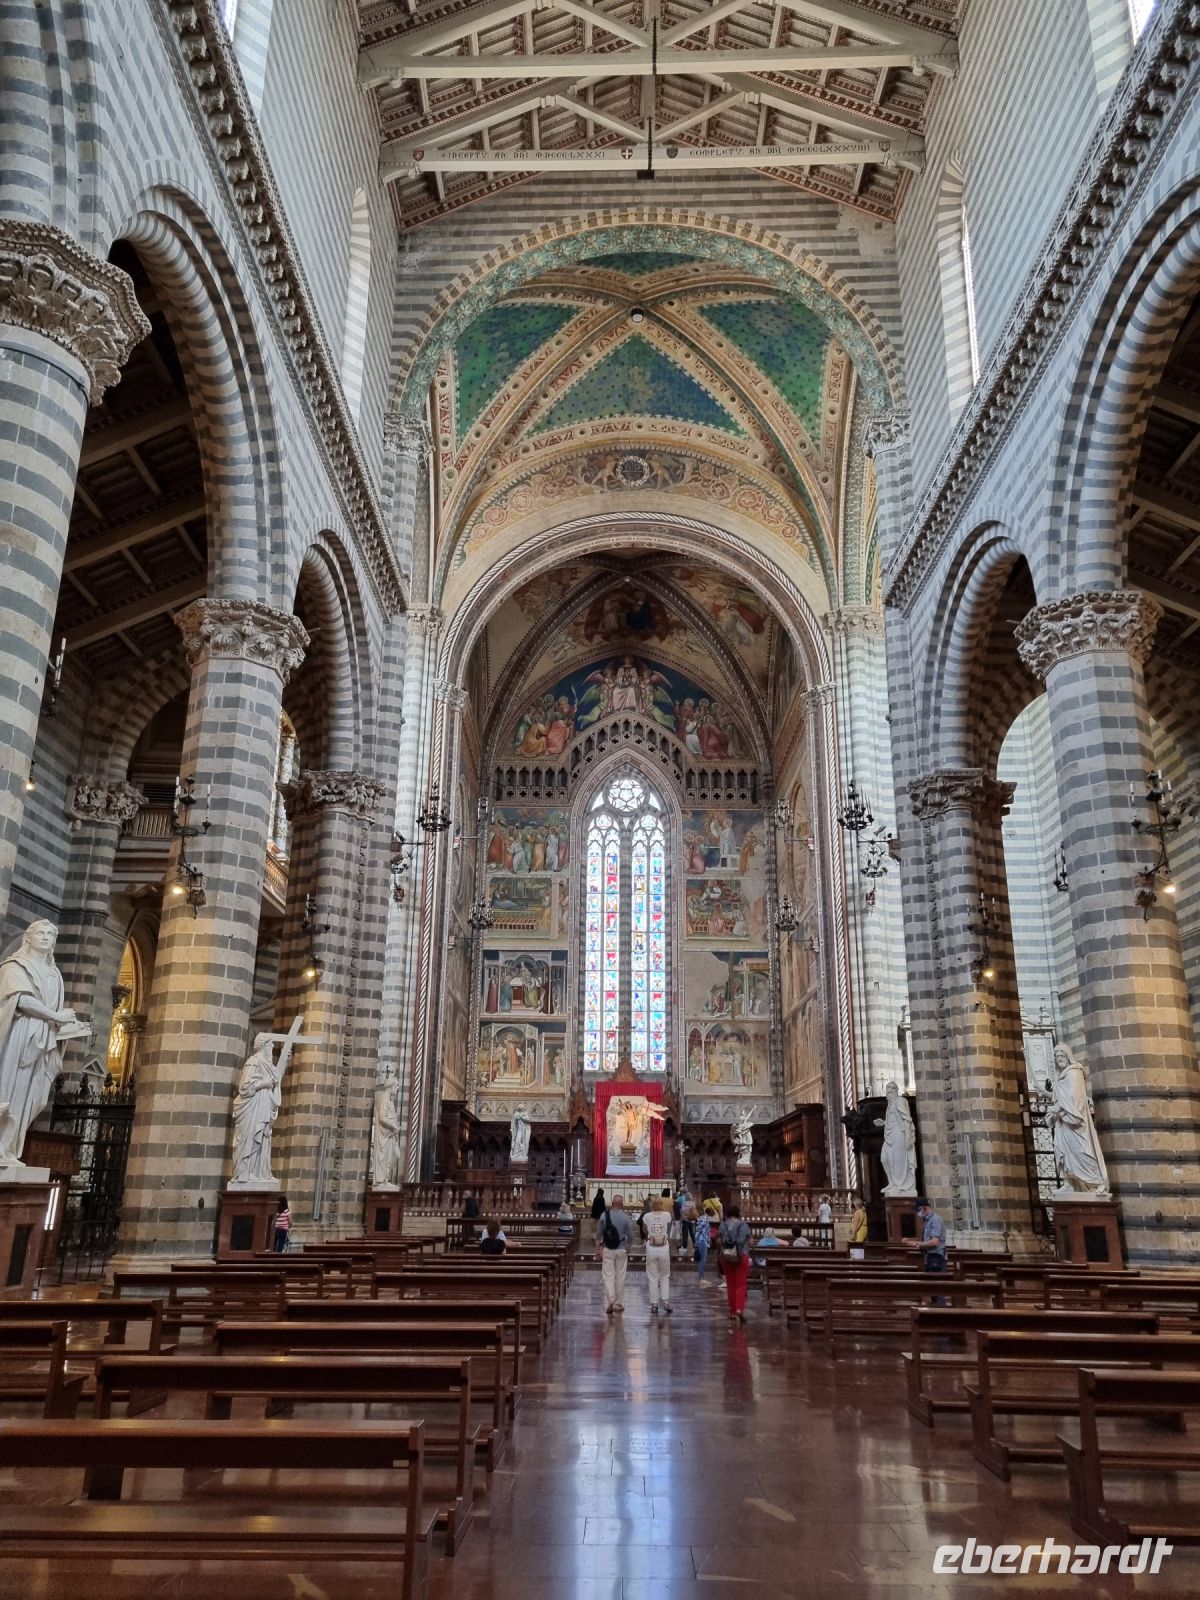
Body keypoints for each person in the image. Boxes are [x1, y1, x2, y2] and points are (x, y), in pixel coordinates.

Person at [596, 1194, 633, 1315]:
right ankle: (618, 1303)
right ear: (622, 1204)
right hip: (621, 1248)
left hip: (607, 1248)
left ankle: (611, 1299)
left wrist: (598, 1248)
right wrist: (628, 1247)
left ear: (611, 1203)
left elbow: (598, 1234)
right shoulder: (625, 1217)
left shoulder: (604, 1215)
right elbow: (630, 1235)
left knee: (608, 1275)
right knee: (620, 1276)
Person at [718, 1203, 752, 1323]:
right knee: (741, 1285)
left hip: (726, 1256)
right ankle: (739, 1309)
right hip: (741, 1255)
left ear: (727, 1214)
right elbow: (750, 1241)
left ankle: (732, 1312)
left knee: (731, 1285)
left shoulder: (723, 1225)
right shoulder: (744, 1225)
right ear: (738, 1213)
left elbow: (719, 1240)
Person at [644, 1196, 673, 1315]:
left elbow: (645, 1230)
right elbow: (670, 1224)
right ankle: (666, 1302)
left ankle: (654, 1304)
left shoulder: (647, 1216)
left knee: (652, 1277)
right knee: (665, 1276)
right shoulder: (666, 1215)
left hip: (651, 1247)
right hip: (663, 1247)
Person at [913, 1196, 947, 1273]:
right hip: (929, 1257)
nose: (917, 1213)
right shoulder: (926, 1220)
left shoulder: (935, 1220)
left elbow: (935, 1242)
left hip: (937, 1258)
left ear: (925, 1208)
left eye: (918, 1210)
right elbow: (927, 1239)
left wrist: (918, 1244)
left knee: (936, 1283)